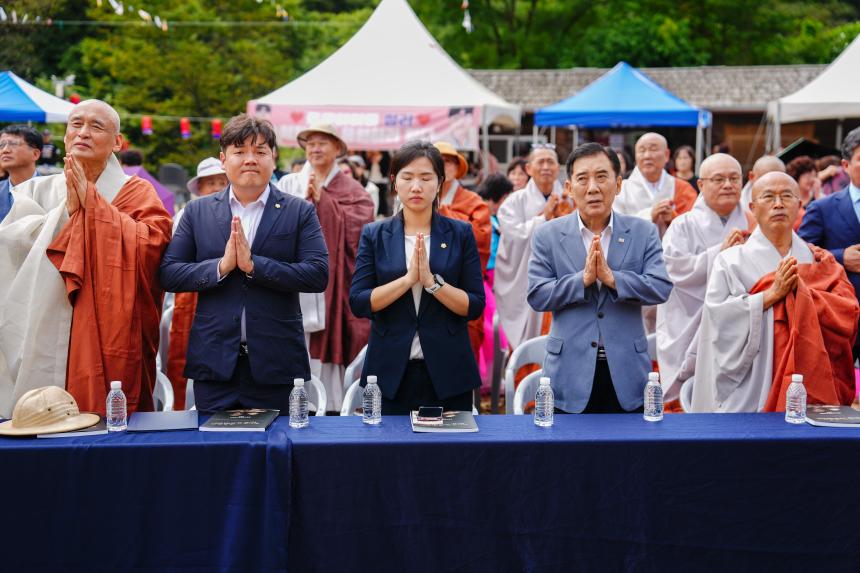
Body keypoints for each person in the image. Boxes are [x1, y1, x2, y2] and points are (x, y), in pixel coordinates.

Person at [0, 100, 172, 417]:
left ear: (117, 142)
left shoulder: (137, 192)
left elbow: (153, 246)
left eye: (96, 126)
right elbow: (11, 243)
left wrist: (95, 208)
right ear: (65, 135)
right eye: (76, 124)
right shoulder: (37, 189)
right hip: (45, 320)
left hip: (109, 327)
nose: (83, 133)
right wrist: (67, 214)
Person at [159, 115, 329, 412]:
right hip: (214, 362)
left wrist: (255, 267)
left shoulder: (298, 211)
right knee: (215, 453)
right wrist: (221, 267)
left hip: (277, 363)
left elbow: (317, 274)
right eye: (240, 152)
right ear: (224, 160)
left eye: (260, 151)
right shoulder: (197, 211)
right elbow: (170, 273)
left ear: (273, 159)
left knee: (277, 452)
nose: (250, 159)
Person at [692, 172, 858, 412]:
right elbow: (718, 318)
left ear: (799, 205)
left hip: (807, 379)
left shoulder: (819, 262)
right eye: (768, 197)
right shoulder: (730, 261)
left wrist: (806, 299)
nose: (778, 203)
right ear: (753, 207)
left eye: (786, 196)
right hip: (750, 384)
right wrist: (771, 295)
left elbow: (846, 315)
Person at [528, 143, 672, 413]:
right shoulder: (547, 235)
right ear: (569, 188)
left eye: (602, 177)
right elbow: (537, 294)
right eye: (582, 178)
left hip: (627, 371)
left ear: (618, 185)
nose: (592, 187)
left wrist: (613, 278)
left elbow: (661, 287)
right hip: (568, 373)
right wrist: (581, 281)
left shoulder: (643, 232)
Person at [349, 141, 485, 415]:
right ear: (394, 182)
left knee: (450, 455)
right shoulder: (375, 235)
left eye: (426, 178)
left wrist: (433, 283)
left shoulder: (460, 233)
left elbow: (474, 305)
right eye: (407, 177)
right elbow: (359, 302)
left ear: (440, 183)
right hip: (389, 373)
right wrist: (409, 279)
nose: (416, 187)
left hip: (449, 371)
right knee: (389, 455)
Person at [278, 124, 375, 410]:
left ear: (337, 149)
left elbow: (361, 231)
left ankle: (331, 402)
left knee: (327, 338)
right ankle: (294, 398)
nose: (315, 148)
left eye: (323, 143)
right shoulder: (289, 184)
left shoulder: (353, 190)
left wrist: (325, 203)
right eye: (310, 143)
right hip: (294, 272)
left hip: (333, 278)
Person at [656, 153, 754, 402]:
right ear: (700, 184)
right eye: (719, 179)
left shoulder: (754, 222)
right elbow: (671, 270)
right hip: (691, 318)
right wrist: (718, 255)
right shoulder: (683, 225)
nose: (728, 185)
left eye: (734, 178)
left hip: (742, 322)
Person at [164, 157, 229, 408]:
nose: (215, 187)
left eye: (221, 182)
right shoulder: (186, 215)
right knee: (183, 352)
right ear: (199, 188)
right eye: (209, 182)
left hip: (226, 291)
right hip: (191, 292)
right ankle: (182, 410)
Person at [494, 145, 570, 349]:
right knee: (527, 340)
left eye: (551, 162)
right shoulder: (513, 202)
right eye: (540, 162)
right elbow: (513, 235)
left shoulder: (569, 199)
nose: (546, 167)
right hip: (524, 280)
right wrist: (545, 217)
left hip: (563, 280)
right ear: (529, 168)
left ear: (558, 168)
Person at [799, 127, 860, 360]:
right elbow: (802, 254)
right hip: (839, 316)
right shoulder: (822, 208)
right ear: (845, 166)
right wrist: (841, 257)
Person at [433, 141, 492, 364]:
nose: (443, 166)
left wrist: (444, 214)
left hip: (462, 288)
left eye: (448, 161)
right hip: (425, 288)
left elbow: (482, 239)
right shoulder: (417, 201)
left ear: (458, 167)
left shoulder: (474, 201)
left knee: (462, 358)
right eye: (438, 161)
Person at [615, 132, 698, 236]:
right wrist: (649, 216)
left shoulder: (683, 189)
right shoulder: (621, 189)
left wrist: (672, 218)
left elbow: (694, 229)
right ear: (636, 156)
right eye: (642, 151)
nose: (647, 155)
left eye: (653, 149)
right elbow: (615, 227)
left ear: (666, 155)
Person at [477, 173, 513, 384]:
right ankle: (489, 380)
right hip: (486, 277)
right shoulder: (486, 217)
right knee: (491, 329)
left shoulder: (493, 217)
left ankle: (490, 380)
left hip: (491, 277)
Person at [0, 125, 41, 222]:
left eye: (13, 144)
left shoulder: (54, 191)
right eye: (1, 145)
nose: (5, 150)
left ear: (35, 154)